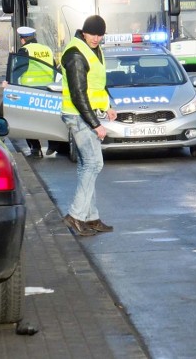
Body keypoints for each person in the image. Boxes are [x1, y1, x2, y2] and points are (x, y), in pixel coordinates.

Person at [60, 15, 117, 236]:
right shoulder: (75, 54)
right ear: (84, 32)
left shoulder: (92, 50)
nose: (96, 38)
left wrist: (107, 105)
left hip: (87, 114)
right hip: (78, 115)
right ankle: (75, 215)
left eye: (100, 34)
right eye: (92, 33)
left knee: (87, 165)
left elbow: (96, 85)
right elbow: (78, 95)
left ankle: (91, 217)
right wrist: (96, 125)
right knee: (94, 164)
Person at [16, 26, 61, 158]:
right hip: (47, 89)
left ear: (23, 39)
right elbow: (54, 68)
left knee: (28, 121)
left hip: (29, 90)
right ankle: (53, 144)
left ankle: (35, 149)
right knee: (48, 118)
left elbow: (19, 70)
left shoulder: (24, 50)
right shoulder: (46, 49)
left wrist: (9, 82)